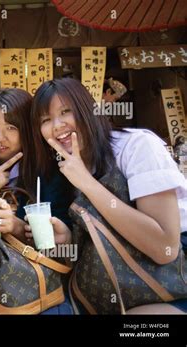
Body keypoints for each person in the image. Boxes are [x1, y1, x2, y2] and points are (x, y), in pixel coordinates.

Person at [30, 78, 187, 314]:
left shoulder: (136, 147)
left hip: (165, 292)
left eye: (65, 112)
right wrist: (69, 238)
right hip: (101, 297)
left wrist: (87, 182)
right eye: (45, 120)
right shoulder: (65, 167)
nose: (57, 125)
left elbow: (165, 247)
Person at [0, 88, 74, 314]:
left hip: (37, 285)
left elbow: (59, 246)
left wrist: (16, 226)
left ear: (28, 130)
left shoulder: (51, 176)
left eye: (11, 127)